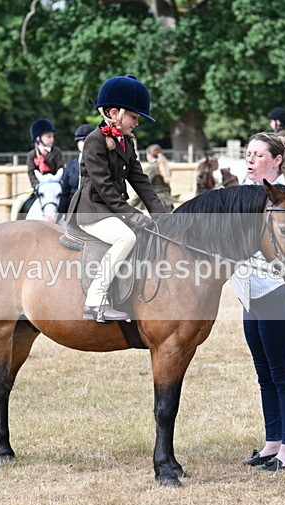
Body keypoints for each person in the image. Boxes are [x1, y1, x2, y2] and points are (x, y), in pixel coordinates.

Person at [233, 132, 285, 472]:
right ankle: (272, 442)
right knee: (264, 373)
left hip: (282, 293)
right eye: (248, 154)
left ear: (277, 160)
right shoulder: (242, 194)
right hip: (251, 295)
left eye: (259, 155)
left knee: (283, 372)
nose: (251, 159)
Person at [66, 75, 167, 322]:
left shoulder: (126, 142)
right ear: (114, 112)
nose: (137, 122)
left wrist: (161, 214)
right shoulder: (94, 141)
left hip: (111, 210)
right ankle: (95, 300)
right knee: (126, 237)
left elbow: (140, 180)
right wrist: (133, 215)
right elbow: (104, 188)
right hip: (92, 211)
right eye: (134, 117)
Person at [58, 124, 95, 223]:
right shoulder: (70, 166)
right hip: (73, 210)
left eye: (88, 140)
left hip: (94, 210)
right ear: (77, 144)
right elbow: (65, 193)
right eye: (82, 141)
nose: (85, 144)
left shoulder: (101, 163)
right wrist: (60, 215)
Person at [131, 144, 178, 212]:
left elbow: (142, 187)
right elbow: (168, 187)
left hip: (156, 203)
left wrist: (132, 203)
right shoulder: (165, 165)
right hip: (167, 201)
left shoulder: (151, 168)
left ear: (149, 155)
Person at [27, 118, 64, 188]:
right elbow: (31, 173)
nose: (52, 139)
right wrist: (36, 185)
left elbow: (61, 169)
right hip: (40, 187)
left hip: (55, 185)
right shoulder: (31, 155)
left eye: (52, 136)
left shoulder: (57, 152)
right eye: (49, 136)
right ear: (38, 138)